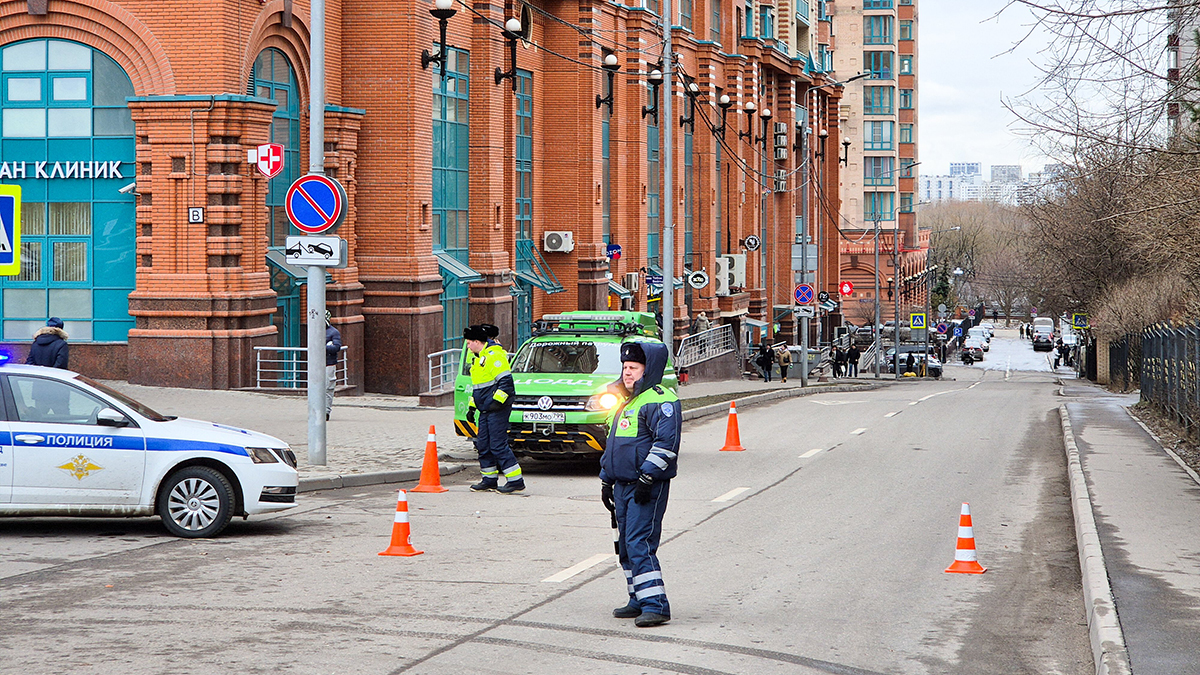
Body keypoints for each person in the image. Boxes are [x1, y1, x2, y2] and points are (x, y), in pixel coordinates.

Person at [599, 341, 681, 628]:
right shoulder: (626, 401)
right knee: (624, 545)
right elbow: (614, 446)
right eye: (625, 367)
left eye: (633, 367)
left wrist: (647, 477)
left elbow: (666, 444)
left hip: (646, 485)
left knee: (639, 542)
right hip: (622, 485)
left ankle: (656, 605)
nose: (627, 372)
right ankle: (638, 598)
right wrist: (606, 480)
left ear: (649, 370)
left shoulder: (660, 399)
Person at [465, 324, 524, 493]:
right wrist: (472, 407)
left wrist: (497, 403)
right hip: (486, 409)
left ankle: (515, 481)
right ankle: (489, 480)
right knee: (483, 444)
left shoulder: (494, 356)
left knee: (497, 444)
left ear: (477, 342)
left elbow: (506, 383)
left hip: (497, 409)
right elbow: (478, 388)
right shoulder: (478, 359)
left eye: (469, 343)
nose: (467, 347)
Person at [325, 311, 342, 421]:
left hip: (329, 364)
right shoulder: (314, 330)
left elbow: (337, 347)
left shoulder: (333, 332)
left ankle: (326, 411)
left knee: (328, 388)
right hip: (316, 365)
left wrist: (324, 347)